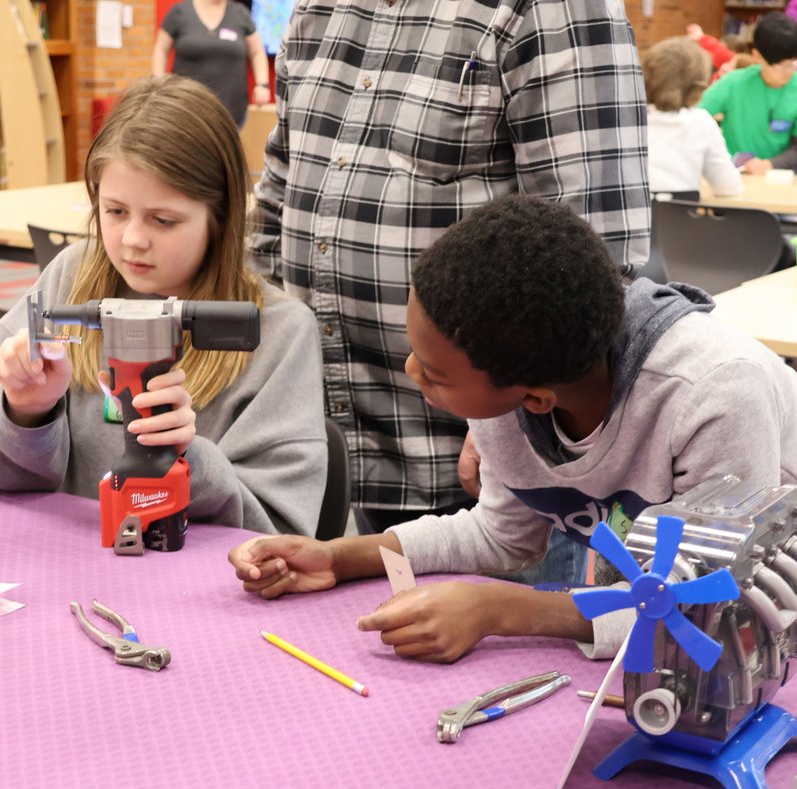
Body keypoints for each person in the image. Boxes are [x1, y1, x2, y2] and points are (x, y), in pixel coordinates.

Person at [229, 194, 797, 663]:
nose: (411, 371)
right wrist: (339, 558)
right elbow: (499, 535)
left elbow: (703, 606)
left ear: (537, 397)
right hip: (663, 580)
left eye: (433, 371)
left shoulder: (712, 392)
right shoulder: (516, 387)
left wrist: (501, 613)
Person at [247, 0, 650, 548]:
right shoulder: (319, 8)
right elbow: (276, 202)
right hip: (342, 429)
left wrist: (506, 429)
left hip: (499, 461)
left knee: (531, 628)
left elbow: (594, 253)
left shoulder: (547, 8)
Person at [0, 76, 327, 536]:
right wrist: (24, 413)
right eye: (115, 211)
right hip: (60, 568)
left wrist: (188, 463)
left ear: (221, 219)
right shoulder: (71, 278)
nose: (133, 240)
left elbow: (282, 532)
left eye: (163, 220)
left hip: (190, 598)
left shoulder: (279, 333)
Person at [699, 12, 797, 175]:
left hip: (781, 178)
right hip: (732, 175)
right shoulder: (733, 83)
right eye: (781, 67)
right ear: (757, 56)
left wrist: (769, 164)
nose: (789, 72)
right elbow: (693, 117)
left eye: (795, 63)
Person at [644, 37, 742, 199]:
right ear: (699, 86)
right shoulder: (701, 122)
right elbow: (729, 187)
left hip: (633, 220)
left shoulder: (628, 119)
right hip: (681, 220)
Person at [151, 0, 271, 127]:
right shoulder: (180, 11)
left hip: (231, 113)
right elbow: (161, 49)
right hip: (186, 112)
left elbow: (257, 52)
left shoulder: (240, 13)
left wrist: (262, 85)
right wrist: (158, 82)